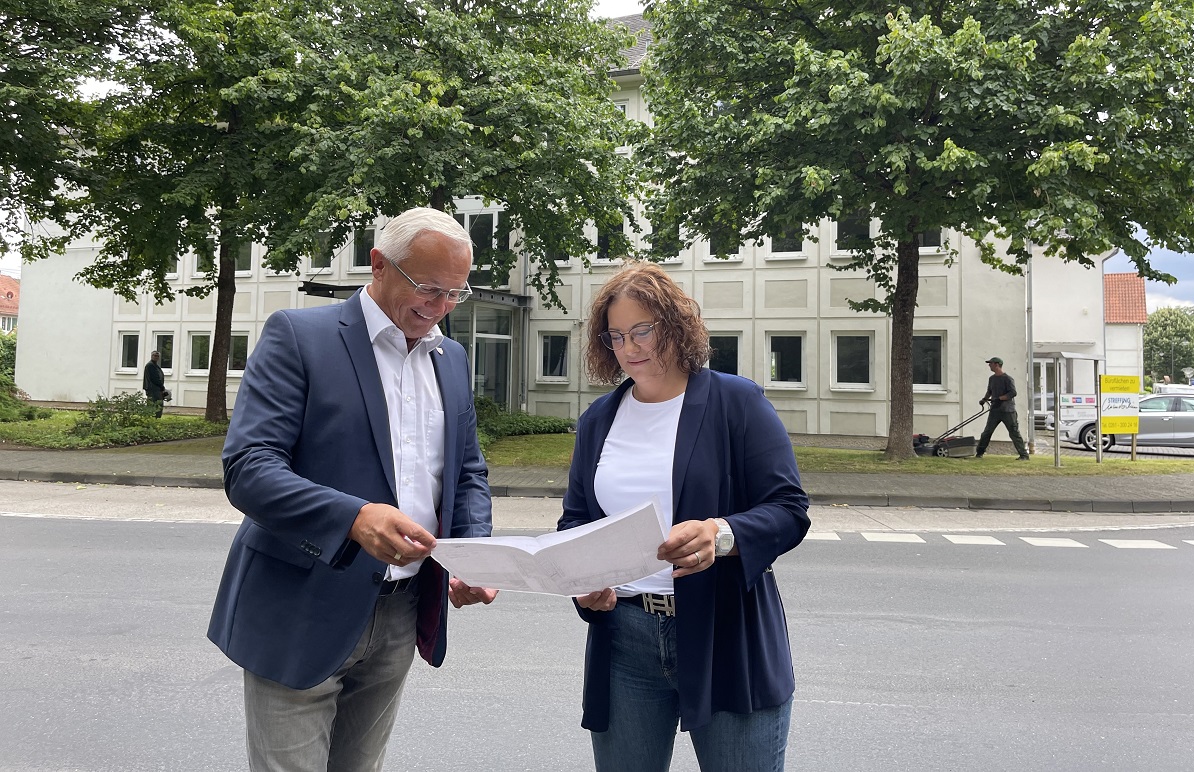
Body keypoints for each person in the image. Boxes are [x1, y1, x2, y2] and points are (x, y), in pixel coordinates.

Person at [207, 207, 497, 772]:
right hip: (301, 607)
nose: (439, 309)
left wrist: (473, 551)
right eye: (429, 289)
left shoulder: (451, 357)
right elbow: (248, 466)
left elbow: (467, 473)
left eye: (454, 295)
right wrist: (352, 518)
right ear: (380, 265)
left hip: (402, 610)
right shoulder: (299, 336)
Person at [557, 261, 810, 772]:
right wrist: (583, 579)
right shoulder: (598, 420)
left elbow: (789, 510)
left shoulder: (736, 402)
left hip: (726, 632)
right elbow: (577, 522)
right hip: (624, 638)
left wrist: (722, 533)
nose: (629, 347)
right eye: (615, 336)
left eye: (642, 330)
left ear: (676, 323)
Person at [975, 356, 1029, 460]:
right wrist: (984, 399)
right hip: (995, 410)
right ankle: (979, 453)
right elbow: (989, 391)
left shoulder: (1007, 379)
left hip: (1007, 411)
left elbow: (1013, 393)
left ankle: (1024, 455)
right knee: (987, 432)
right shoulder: (992, 379)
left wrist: (1000, 398)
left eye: (990, 364)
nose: (989, 365)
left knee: (1014, 432)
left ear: (997, 365)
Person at [142, 350, 165, 418]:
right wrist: (161, 386)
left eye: (157, 356)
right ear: (151, 356)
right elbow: (155, 378)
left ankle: (155, 418)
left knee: (156, 404)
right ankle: (154, 418)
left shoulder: (155, 365)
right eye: (154, 355)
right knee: (155, 404)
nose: (156, 357)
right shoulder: (150, 365)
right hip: (153, 389)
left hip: (156, 388)